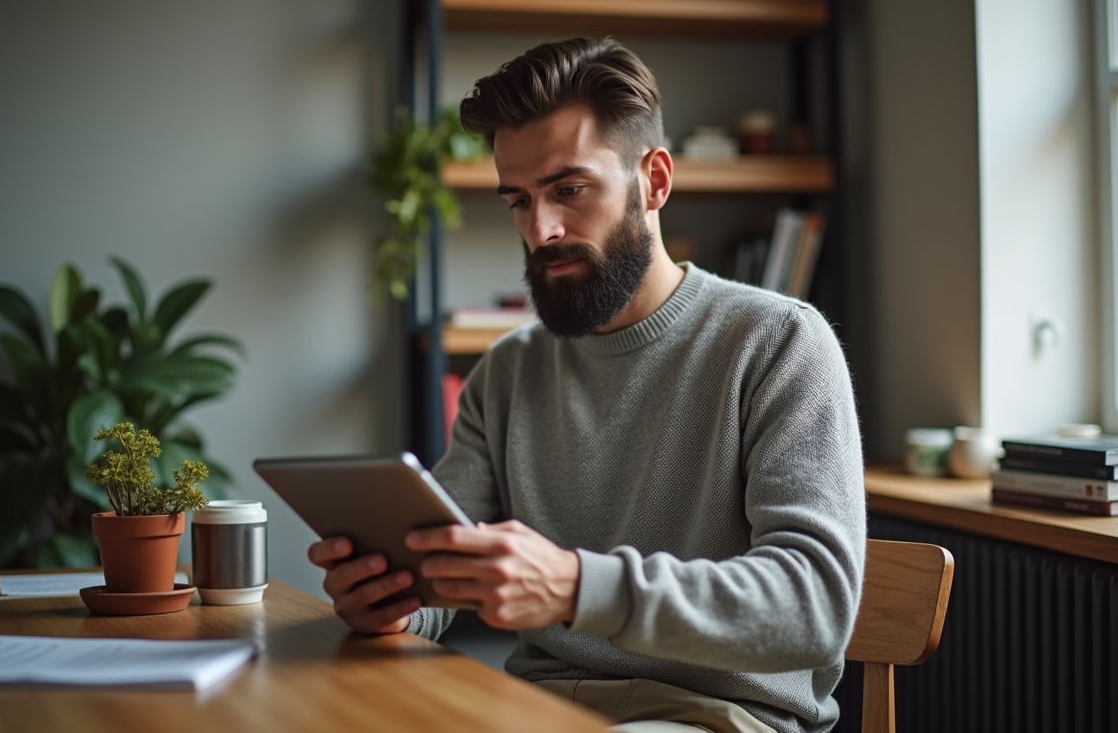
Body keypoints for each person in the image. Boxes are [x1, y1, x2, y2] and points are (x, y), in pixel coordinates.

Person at [308, 37, 866, 733]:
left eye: (569, 190)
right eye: (520, 199)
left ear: (655, 180)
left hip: (718, 718)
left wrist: (578, 587)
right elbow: (441, 568)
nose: (541, 230)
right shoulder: (508, 370)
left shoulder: (779, 342)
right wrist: (392, 602)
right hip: (532, 710)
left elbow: (814, 608)